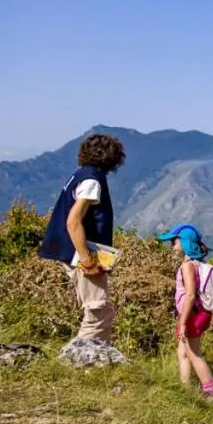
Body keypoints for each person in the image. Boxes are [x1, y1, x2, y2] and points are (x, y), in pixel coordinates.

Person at [36, 132, 127, 344]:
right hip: (82, 254)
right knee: (98, 313)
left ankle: (89, 359)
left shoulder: (80, 174)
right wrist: (88, 259)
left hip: (68, 252)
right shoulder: (92, 181)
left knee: (96, 309)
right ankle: (79, 363)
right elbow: (73, 221)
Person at [157, 223, 213, 406]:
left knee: (194, 354)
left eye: (174, 242)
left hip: (191, 314)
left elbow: (190, 295)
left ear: (184, 243)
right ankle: (185, 389)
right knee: (183, 352)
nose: (172, 246)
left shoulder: (187, 266)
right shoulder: (199, 264)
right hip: (200, 313)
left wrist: (183, 322)